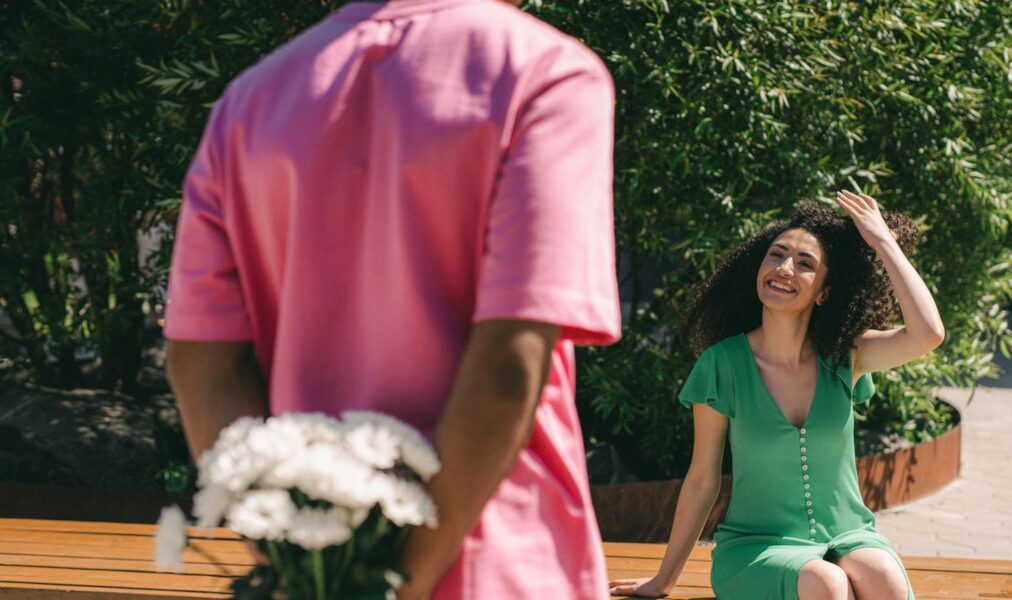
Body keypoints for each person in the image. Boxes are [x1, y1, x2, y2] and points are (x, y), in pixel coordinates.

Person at [162, 1, 621, 599]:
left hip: (313, 577)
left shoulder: (247, 104)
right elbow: (510, 361)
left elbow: (203, 364)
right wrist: (392, 586)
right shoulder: (546, 76)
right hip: (497, 561)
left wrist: (307, 565)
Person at [610, 191, 944, 600]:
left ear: (823, 292)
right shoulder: (723, 365)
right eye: (776, 255)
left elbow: (928, 333)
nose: (784, 268)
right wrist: (664, 579)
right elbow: (701, 480)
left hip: (850, 537)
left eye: (805, 264)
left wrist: (883, 241)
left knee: (882, 576)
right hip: (758, 548)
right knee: (825, 582)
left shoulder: (845, 357)